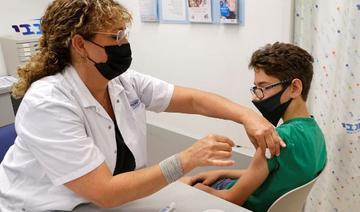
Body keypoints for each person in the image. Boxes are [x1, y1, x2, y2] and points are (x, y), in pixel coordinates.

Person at [0, 1, 284, 211]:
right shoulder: (48, 102)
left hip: (107, 201)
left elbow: (194, 100)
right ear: (80, 44)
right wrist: (186, 160)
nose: (124, 43)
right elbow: (104, 192)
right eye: (115, 37)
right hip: (45, 205)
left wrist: (247, 116)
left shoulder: (123, 82)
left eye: (124, 33)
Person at [182, 42, 327, 212]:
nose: (258, 98)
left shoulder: (276, 139)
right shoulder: (316, 133)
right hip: (255, 196)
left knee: (177, 185)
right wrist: (222, 173)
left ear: (294, 88)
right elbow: (276, 177)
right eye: (256, 88)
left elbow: (231, 199)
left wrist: (198, 190)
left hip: (237, 204)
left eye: (264, 87)